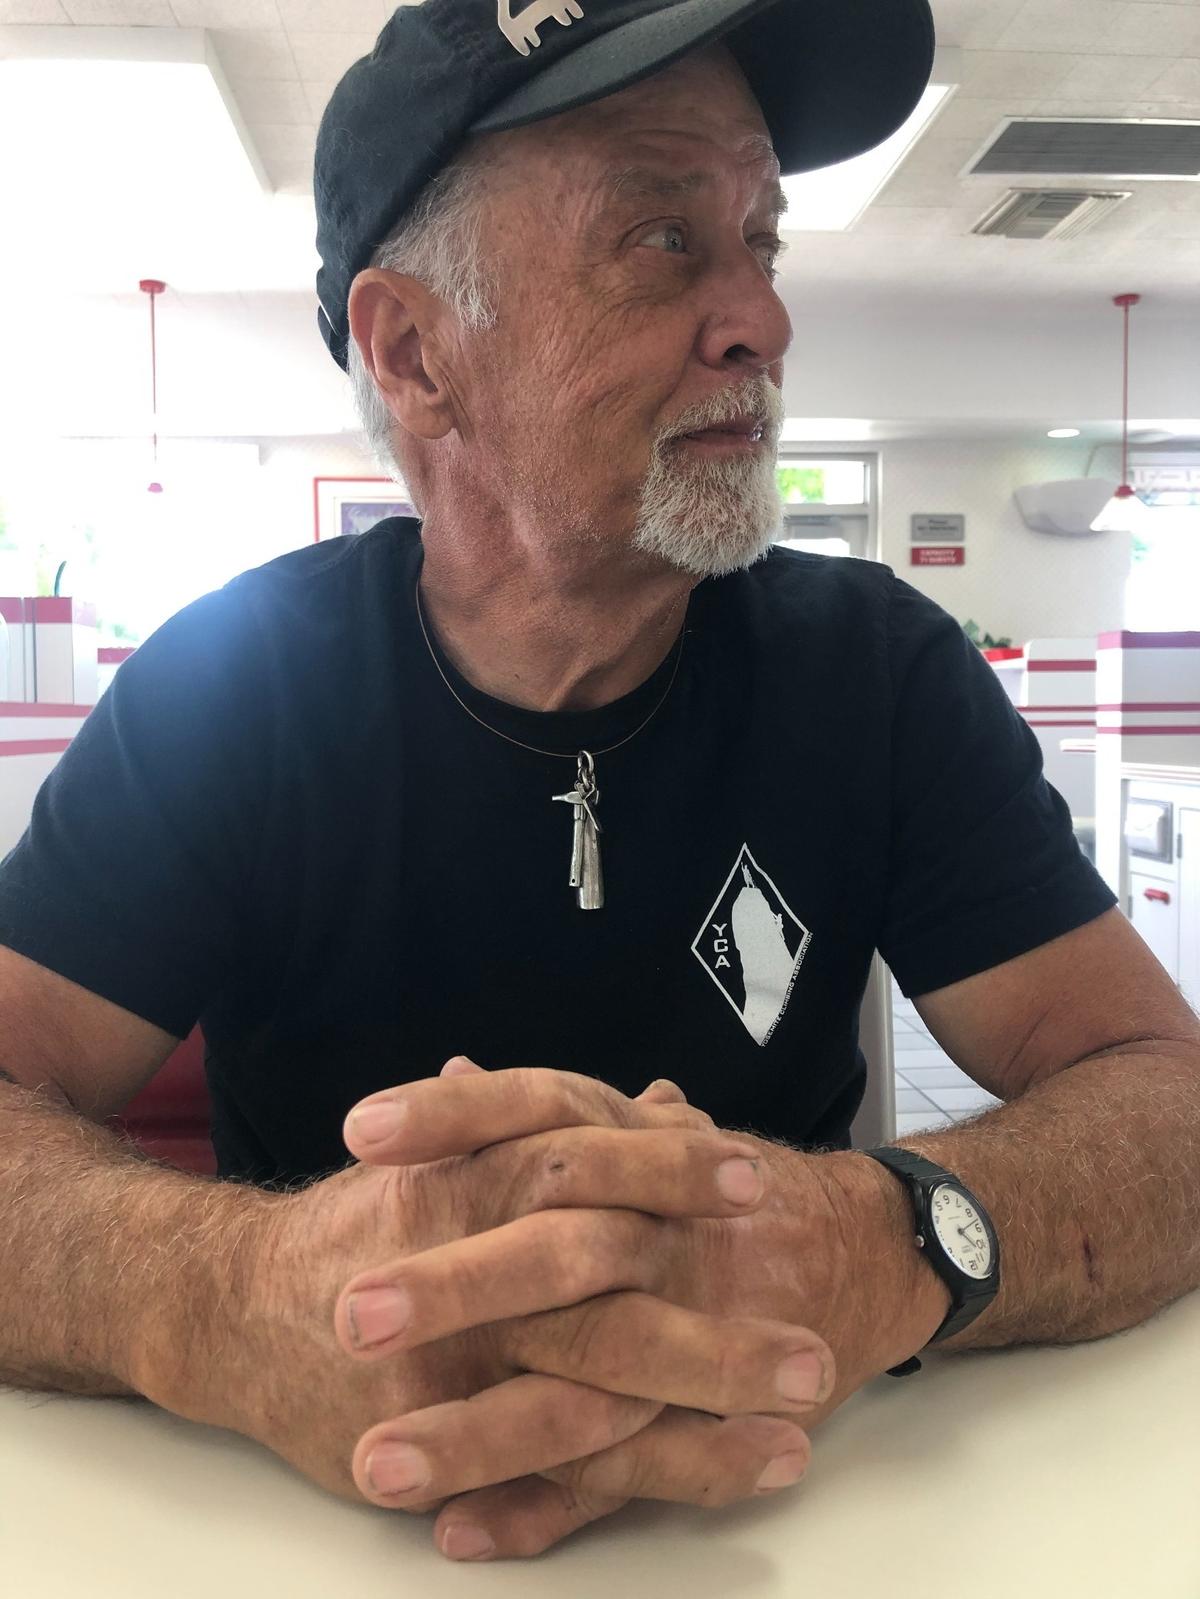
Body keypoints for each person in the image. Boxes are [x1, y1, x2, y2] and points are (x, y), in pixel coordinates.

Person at [1, 0, 1198, 1567]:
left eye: (762, 239)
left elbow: (1159, 1089)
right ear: (417, 354)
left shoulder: (876, 676)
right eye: (659, 236)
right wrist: (225, 1298)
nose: (760, 319)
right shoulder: (235, 691)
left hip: (812, 1519)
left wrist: (888, 1240)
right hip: (323, 1530)